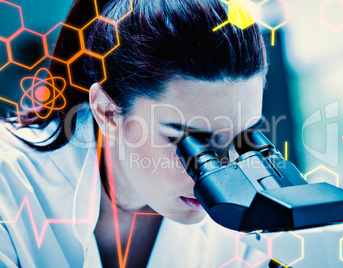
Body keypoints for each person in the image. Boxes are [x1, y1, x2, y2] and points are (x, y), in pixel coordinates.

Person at [0, 0, 269, 267]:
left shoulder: (243, 218)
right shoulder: (9, 188)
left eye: (240, 139)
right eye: (189, 142)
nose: (221, 176)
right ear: (107, 112)